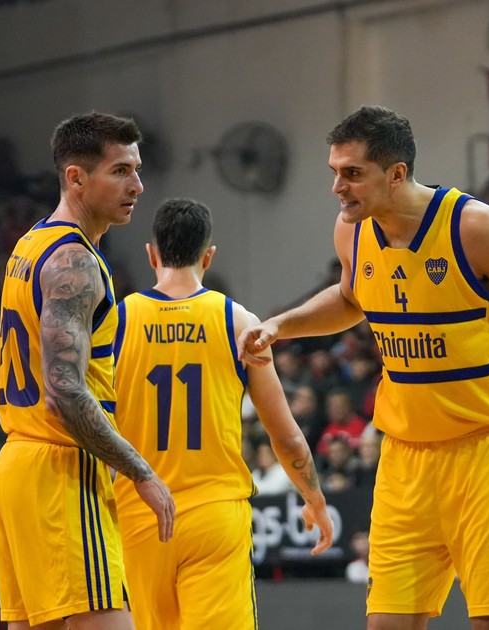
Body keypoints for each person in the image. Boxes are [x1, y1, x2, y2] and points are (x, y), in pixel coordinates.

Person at [235, 105, 489, 630]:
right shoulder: (352, 231)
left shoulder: (476, 228)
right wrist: (282, 324)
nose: (337, 187)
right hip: (404, 457)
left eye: (352, 173)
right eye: (334, 172)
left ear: (396, 174)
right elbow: (351, 296)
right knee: (386, 625)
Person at [0, 111, 174, 629]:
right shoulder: (75, 262)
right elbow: (64, 393)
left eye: (137, 170)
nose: (137, 185)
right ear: (76, 177)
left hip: (16, 467)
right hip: (62, 471)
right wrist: (141, 472)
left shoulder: (29, 245)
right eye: (120, 171)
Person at [111, 198, 333, 629]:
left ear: (152, 255)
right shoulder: (238, 322)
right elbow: (285, 435)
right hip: (215, 516)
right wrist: (314, 499)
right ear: (208, 256)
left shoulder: (117, 322)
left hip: (140, 516)